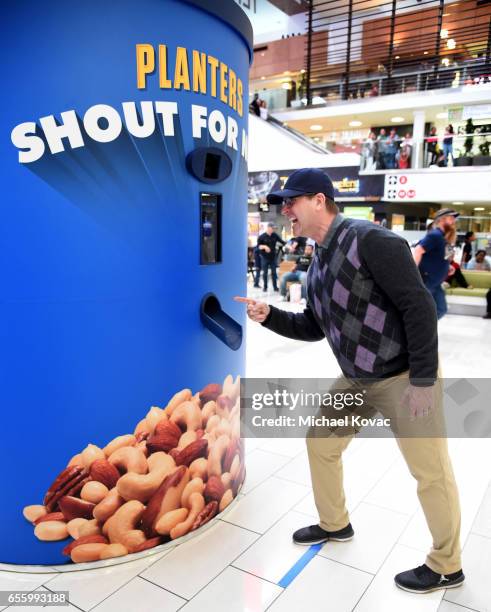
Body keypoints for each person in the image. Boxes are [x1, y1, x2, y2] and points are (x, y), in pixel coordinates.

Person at [235, 168, 463, 595]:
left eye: (292, 201)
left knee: (430, 471)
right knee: (321, 442)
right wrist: (270, 317)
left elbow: (418, 308)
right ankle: (334, 524)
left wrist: (424, 381)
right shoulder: (317, 258)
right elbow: (313, 326)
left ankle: (447, 564)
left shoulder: (371, 240)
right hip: (356, 380)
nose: (285, 211)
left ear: (320, 200)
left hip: (404, 376)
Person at [413, 208, 460, 319]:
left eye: (454, 219)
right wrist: (413, 271)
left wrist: (448, 266)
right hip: (427, 281)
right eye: (450, 218)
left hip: (436, 282)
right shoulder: (435, 235)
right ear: (441, 220)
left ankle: (422, 331)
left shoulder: (445, 238)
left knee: (441, 309)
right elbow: (418, 250)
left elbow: (441, 255)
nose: (453, 221)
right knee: (424, 311)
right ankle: (419, 332)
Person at [257, 222, 285, 292]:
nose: (273, 230)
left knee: (274, 273)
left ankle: (275, 287)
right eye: (272, 228)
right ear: (268, 228)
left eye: (274, 229)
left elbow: (282, 242)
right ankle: (265, 287)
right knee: (265, 273)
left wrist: (289, 245)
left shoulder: (275, 235)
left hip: (273, 257)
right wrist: (264, 246)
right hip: (264, 257)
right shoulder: (261, 237)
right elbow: (258, 247)